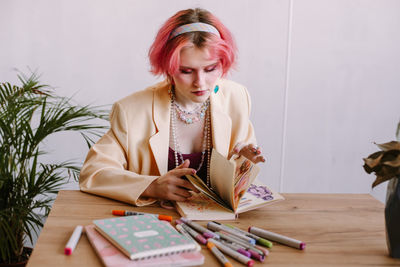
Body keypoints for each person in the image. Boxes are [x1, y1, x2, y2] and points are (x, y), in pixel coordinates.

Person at [79, 8, 266, 206]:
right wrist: (151, 186)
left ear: (223, 63)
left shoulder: (237, 98)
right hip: (154, 223)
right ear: (168, 69)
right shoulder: (131, 111)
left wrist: (244, 162)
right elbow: (93, 173)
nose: (200, 83)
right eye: (186, 71)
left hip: (217, 225)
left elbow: (235, 183)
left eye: (211, 69)